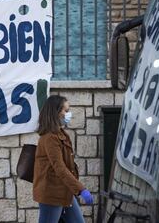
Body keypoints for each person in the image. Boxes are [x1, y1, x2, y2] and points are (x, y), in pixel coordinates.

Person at [33, 95, 93, 223]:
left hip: (65, 191)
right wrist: (81, 189)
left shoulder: (61, 134)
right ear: (55, 112)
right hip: (52, 194)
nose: (68, 114)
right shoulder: (50, 138)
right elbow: (60, 167)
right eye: (65, 111)